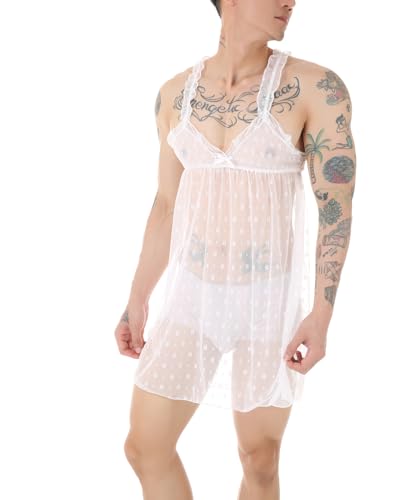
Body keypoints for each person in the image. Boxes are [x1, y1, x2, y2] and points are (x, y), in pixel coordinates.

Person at [115, 0, 356, 498]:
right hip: (191, 298)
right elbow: (166, 204)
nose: (291, 1)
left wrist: (321, 314)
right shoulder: (174, 94)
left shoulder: (318, 88)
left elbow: (335, 208)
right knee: (145, 447)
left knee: (259, 459)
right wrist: (137, 298)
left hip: (268, 304)